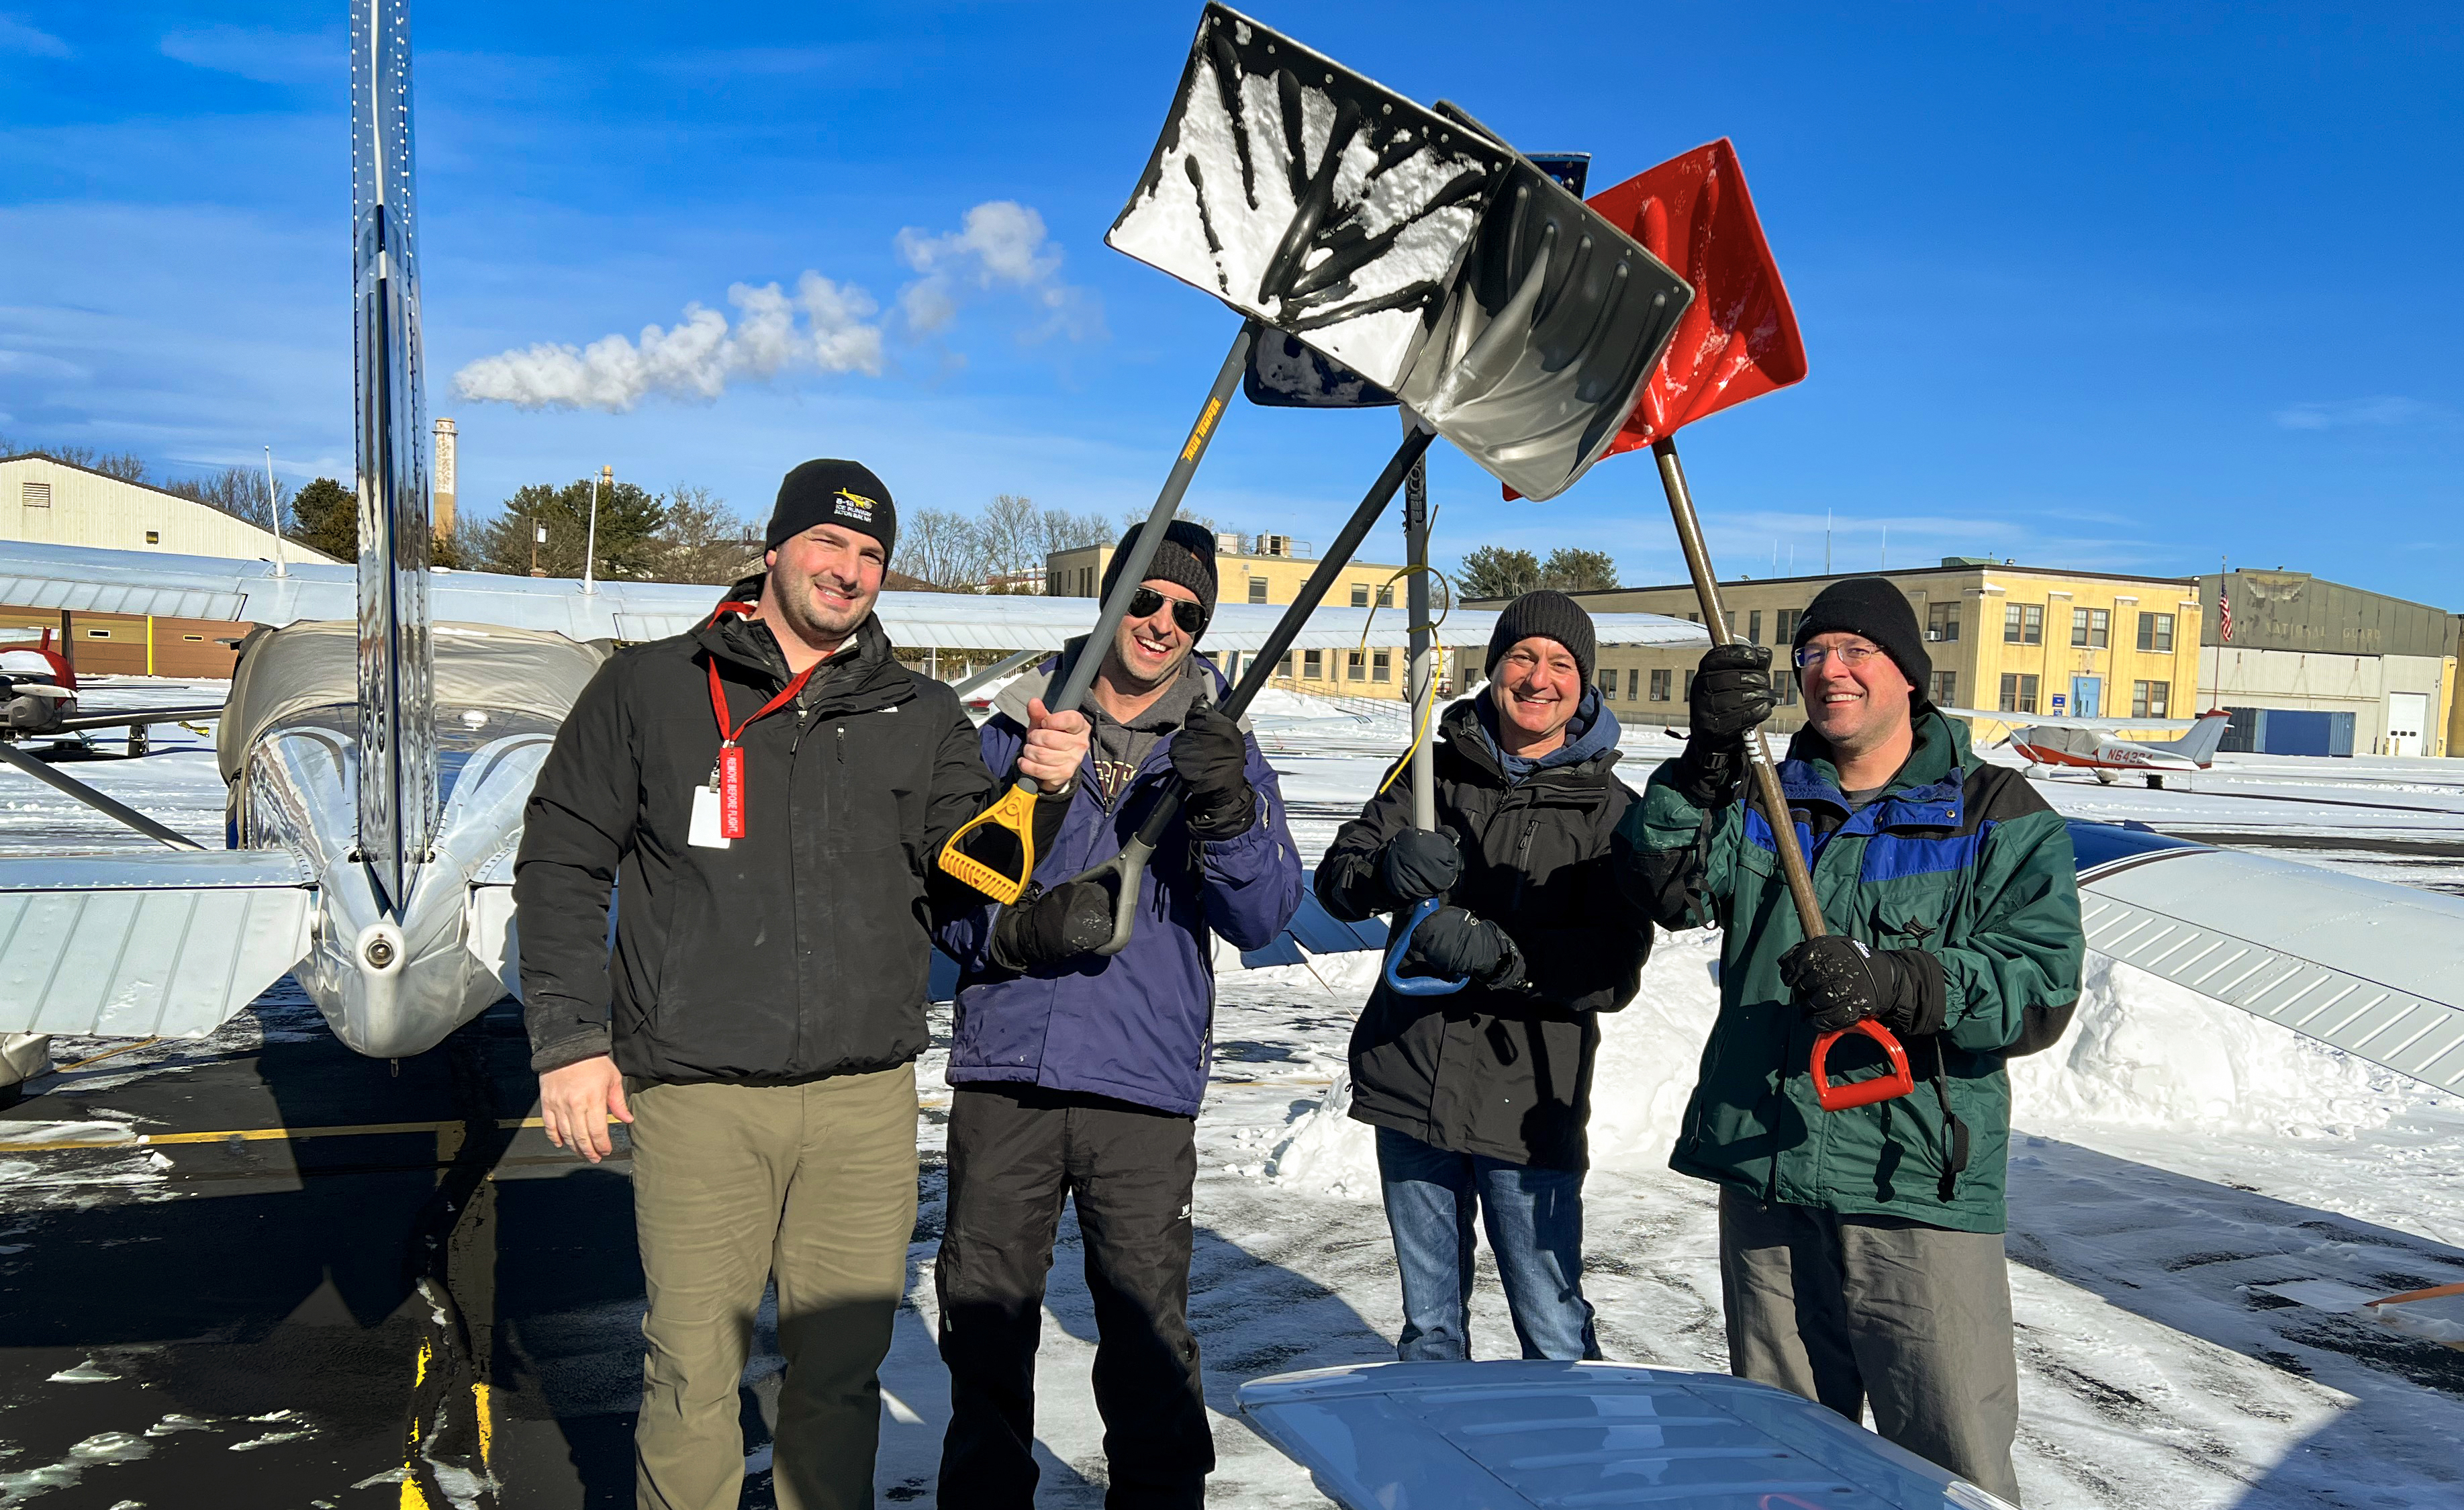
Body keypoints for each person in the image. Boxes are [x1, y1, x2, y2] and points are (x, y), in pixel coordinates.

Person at [515, 459, 1091, 1510]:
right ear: (774, 548)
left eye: (873, 554)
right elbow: (560, 858)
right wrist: (569, 1038)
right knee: (692, 1372)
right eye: (830, 542)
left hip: (862, 1098)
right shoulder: (648, 687)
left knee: (839, 1377)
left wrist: (1038, 793)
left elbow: (971, 866)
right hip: (698, 1092)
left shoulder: (919, 714)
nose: (851, 569)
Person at [1613, 577, 2083, 1501]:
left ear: (1909, 673)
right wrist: (1705, 757)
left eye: (1857, 652)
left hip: (1914, 1179)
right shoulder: (1762, 799)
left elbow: (2040, 990)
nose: (1832, 671)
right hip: (1772, 1166)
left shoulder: (1997, 814)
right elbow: (1664, 888)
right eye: (1814, 654)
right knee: (1778, 1456)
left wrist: (1899, 982)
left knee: (1950, 1461)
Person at [932, 520, 1301, 1510]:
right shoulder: (1014, 727)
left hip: (1139, 1088)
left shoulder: (1223, 746)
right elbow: (951, 908)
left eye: (1188, 610)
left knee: (1146, 1342)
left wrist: (1226, 813)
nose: (1163, 622)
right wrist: (1023, 924)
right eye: (1144, 598)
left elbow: (1264, 914)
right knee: (984, 1328)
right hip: (1006, 1074)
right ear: (1109, 601)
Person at [1313, 591, 1651, 1363]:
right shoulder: (1428, 774)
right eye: (1521, 658)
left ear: (1586, 683)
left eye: (1561, 663)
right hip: (1411, 1077)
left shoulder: (1610, 810)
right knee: (1430, 1332)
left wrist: (1510, 959)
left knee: (1554, 1327)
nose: (1538, 679)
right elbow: (1338, 879)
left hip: (1527, 1101)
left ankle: (1573, 1480)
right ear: (1494, 669)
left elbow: (1616, 965)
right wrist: (1386, 872)